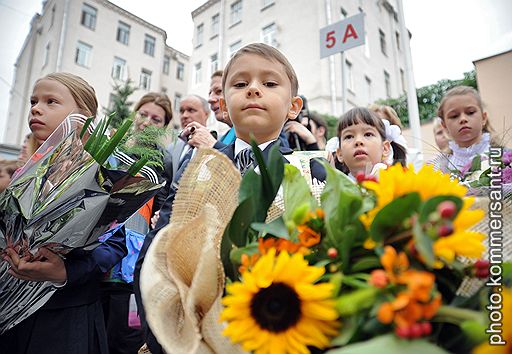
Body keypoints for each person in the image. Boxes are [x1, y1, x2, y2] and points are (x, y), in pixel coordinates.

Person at [134, 42, 325, 354]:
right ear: (224, 101)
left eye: (269, 83)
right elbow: (157, 251)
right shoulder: (198, 167)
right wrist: (163, 334)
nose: (252, 89)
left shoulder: (312, 173)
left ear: (293, 106)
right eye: (240, 83)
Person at [0, 72, 127, 354]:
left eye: (51, 101)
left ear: (84, 116)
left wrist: (64, 271)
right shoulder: (24, 172)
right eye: (33, 101)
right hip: (11, 313)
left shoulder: (107, 172)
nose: (35, 108)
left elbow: (117, 243)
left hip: (66, 320)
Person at [101, 92, 173, 354]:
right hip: (97, 257)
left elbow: (164, 208)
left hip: (133, 266)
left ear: (163, 127)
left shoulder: (165, 161)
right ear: (134, 115)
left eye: (156, 119)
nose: (147, 122)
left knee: (124, 341)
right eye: (143, 114)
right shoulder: (111, 148)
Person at [430, 86, 496, 173]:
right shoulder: (437, 169)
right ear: (444, 125)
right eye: (454, 116)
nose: (463, 119)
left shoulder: (505, 158)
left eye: (470, 112)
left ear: (483, 118)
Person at [335, 107, 407, 179]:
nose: (358, 141)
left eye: (368, 134)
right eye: (349, 136)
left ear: (385, 148)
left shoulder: (398, 182)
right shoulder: (331, 187)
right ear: (340, 153)